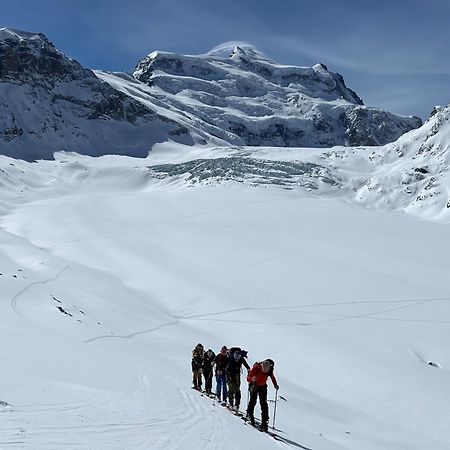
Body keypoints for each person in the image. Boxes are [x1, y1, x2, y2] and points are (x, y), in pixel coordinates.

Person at [246, 358, 279, 432]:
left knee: (263, 404)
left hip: (262, 386)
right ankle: (249, 415)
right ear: (262, 366)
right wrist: (252, 379)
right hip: (254, 385)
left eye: (266, 371)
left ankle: (264, 422)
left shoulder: (269, 369)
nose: (265, 372)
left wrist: (275, 385)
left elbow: (272, 377)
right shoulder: (256, 367)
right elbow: (248, 378)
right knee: (252, 401)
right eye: (264, 370)